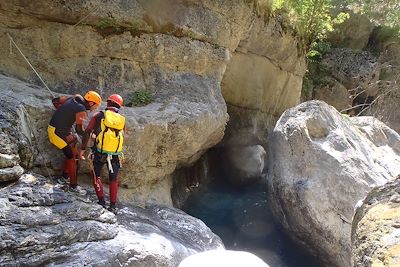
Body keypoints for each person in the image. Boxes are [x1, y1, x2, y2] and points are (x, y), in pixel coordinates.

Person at [47, 91, 102, 191]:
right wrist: (89, 135)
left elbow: (55, 101)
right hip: (56, 133)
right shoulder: (82, 110)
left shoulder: (74, 97)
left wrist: (63, 114)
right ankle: (73, 186)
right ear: (91, 103)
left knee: (73, 148)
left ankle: (64, 177)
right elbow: (79, 130)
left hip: (57, 130)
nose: (96, 108)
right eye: (96, 106)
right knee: (73, 158)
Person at [81, 94, 125, 214]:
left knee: (96, 175)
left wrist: (83, 149)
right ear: (119, 106)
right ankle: (113, 206)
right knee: (113, 178)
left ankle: (101, 202)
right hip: (115, 154)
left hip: (99, 152)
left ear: (108, 103)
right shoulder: (121, 119)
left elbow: (87, 132)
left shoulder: (99, 115)